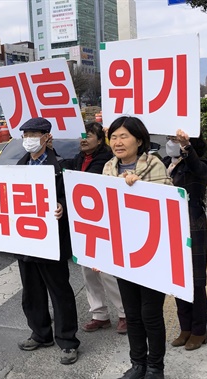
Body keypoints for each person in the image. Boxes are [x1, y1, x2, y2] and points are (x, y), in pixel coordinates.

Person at [102, 116, 172, 379]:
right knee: (131, 313)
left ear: (139, 140)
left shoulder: (154, 164)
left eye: (124, 136)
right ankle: (137, 364)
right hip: (123, 251)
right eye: (114, 137)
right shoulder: (108, 167)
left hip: (152, 251)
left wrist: (137, 187)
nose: (118, 142)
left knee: (150, 313)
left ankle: (156, 367)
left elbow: (167, 205)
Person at [15, 117, 81, 365]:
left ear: (45, 137)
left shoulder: (60, 167)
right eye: (25, 135)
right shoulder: (19, 165)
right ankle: (40, 333)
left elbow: (70, 196)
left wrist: (62, 206)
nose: (28, 139)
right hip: (24, 239)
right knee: (31, 291)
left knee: (59, 290)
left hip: (51, 240)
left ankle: (67, 341)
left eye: (33, 134)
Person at [61, 122, 127, 334]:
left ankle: (124, 313)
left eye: (88, 135)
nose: (83, 139)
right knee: (87, 270)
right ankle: (99, 314)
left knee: (107, 271)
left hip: (104, 221)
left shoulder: (107, 161)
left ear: (100, 140)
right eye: (82, 135)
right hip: (83, 222)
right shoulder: (79, 159)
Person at [162, 129, 207, 351]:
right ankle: (185, 328)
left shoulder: (199, 164)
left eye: (175, 139)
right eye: (170, 139)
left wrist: (186, 146)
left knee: (196, 280)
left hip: (192, 224)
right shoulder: (164, 162)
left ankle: (199, 331)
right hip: (170, 224)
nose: (171, 143)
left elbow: (196, 168)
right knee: (178, 278)